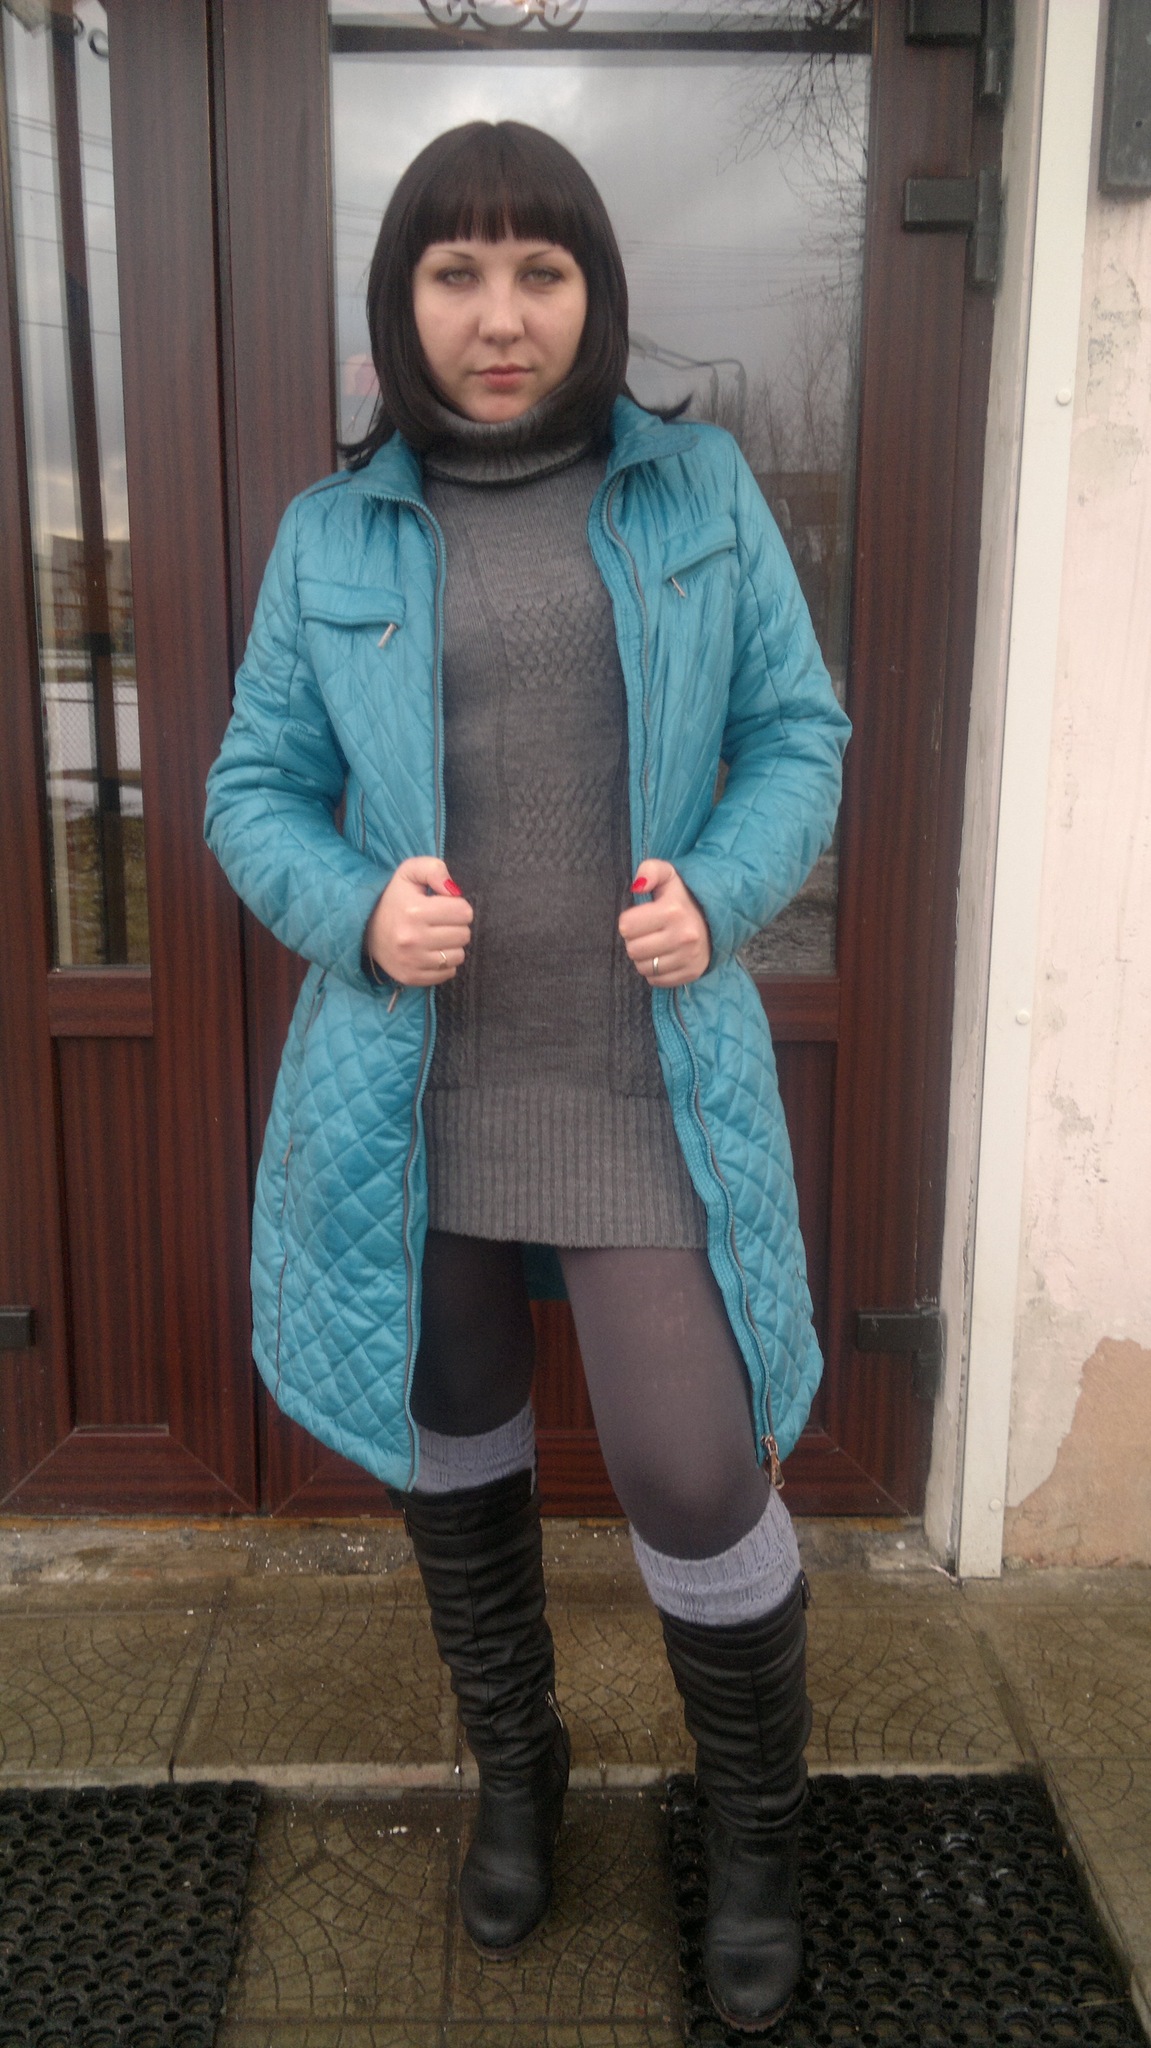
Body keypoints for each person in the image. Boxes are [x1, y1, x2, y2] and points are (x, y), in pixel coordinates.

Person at [205, 119, 850, 2033]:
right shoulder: (333, 533)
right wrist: (354, 909)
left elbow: (796, 731)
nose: (501, 316)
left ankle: (757, 1829)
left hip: (642, 1078)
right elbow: (251, 788)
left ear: (594, 293)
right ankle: (520, 1769)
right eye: (457, 272)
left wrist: (721, 891)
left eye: (541, 271)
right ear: (401, 300)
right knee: (456, 1431)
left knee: (692, 1465)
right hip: (418, 1091)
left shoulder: (697, 490)